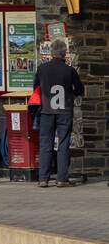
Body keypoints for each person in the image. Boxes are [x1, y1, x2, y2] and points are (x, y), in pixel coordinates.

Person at [35, 38, 84, 188]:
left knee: (45, 144)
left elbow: (35, 89)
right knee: (63, 145)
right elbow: (80, 89)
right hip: (64, 111)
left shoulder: (42, 69)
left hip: (47, 111)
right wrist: (71, 93)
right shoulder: (70, 70)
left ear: (51, 53)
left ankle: (43, 179)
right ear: (64, 54)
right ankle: (62, 179)